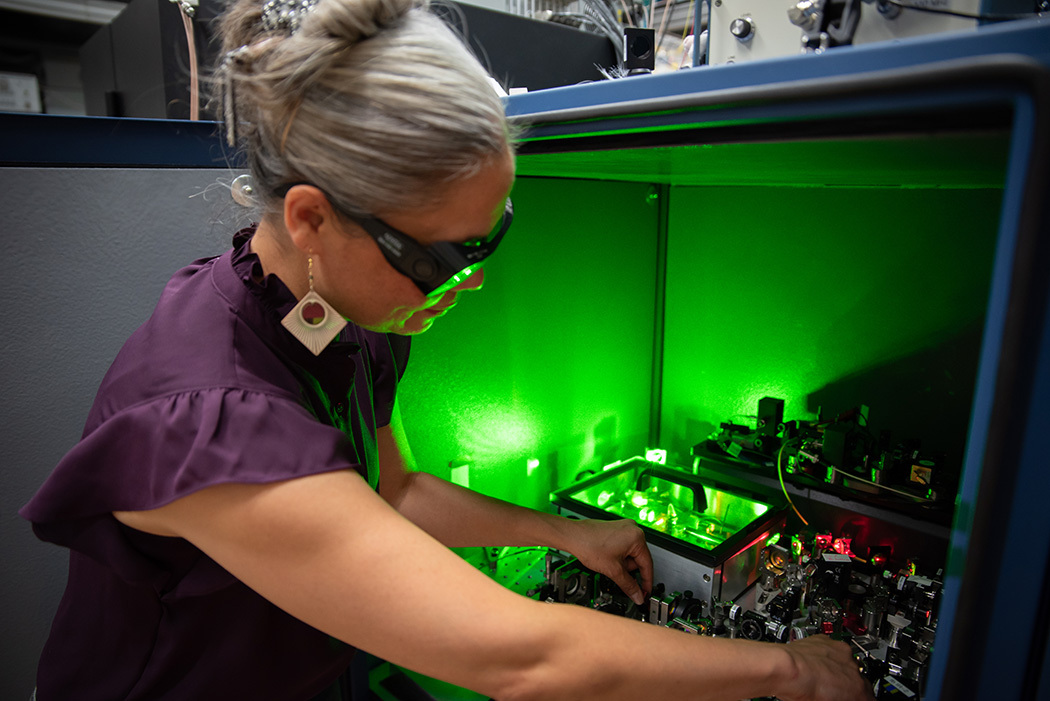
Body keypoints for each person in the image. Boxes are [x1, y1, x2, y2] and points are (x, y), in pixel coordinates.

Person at [20, 0, 874, 699]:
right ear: (312, 217)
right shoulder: (211, 420)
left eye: (489, 239)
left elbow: (395, 490)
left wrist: (565, 533)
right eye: (437, 258)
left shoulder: (331, 307)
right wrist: (792, 669)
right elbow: (522, 659)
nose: (466, 284)